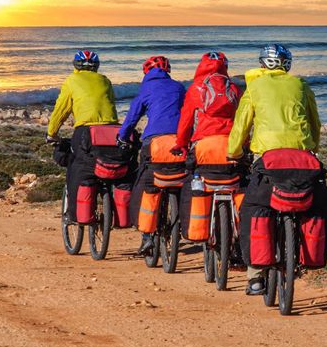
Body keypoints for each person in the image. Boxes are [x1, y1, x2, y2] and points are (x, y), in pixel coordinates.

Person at [227, 44, 325, 295]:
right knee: (315, 203)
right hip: (301, 156)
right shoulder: (301, 85)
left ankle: (256, 276)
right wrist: (311, 148)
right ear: (288, 65)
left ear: (262, 64)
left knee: (254, 207)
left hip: (267, 158)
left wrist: (234, 152)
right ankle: (305, 256)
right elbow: (315, 123)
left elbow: (242, 124)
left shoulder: (255, 87)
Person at [121, 56, 186, 253]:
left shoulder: (146, 89)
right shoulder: (179, 87)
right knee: (181, 178)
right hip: (179, 141)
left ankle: (146, 235)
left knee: (146, 181)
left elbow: (132, 117)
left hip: (154, 142)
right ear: (168, 70)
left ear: (146, 73)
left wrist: (122, 137)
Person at [46, 50, 119, 221]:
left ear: (75, 65)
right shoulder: (105, 80)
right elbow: (111, 104)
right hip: (112, 130)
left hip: (86, 131)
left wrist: (52, 133)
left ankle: (74, 214)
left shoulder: (72, 81)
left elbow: (61, 110)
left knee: (75, 165)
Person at [173, 51, 242, 227]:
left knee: (195, 179)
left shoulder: (195, 88)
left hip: (204, 146)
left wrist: (181, 143)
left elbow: (186, 121)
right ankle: (239, 228)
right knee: (241, 180)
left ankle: (198, 228)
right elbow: (243, 121)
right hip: (230, 145)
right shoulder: (234, 88)